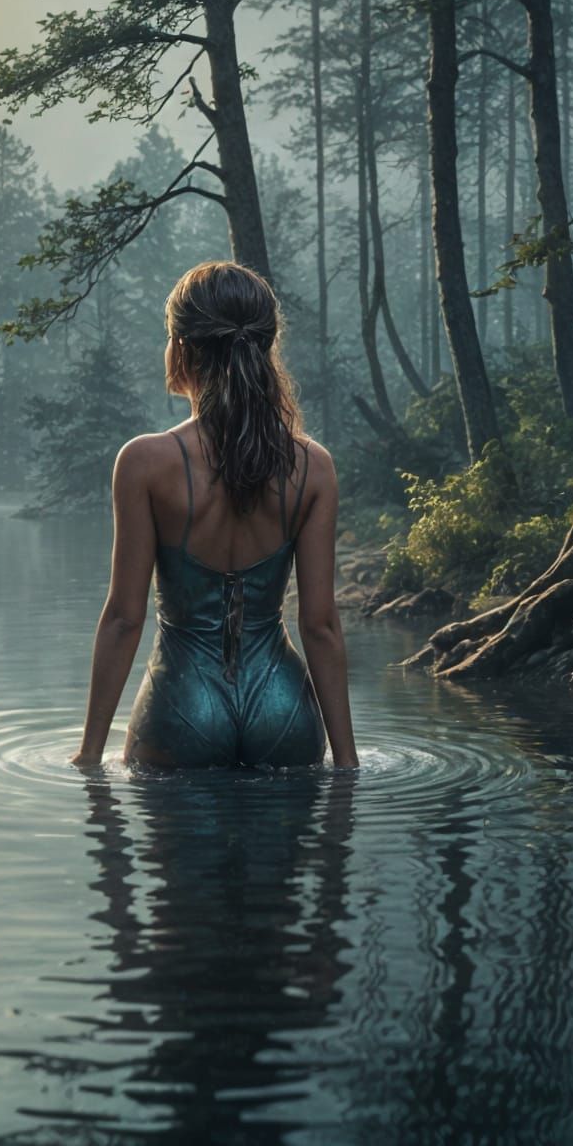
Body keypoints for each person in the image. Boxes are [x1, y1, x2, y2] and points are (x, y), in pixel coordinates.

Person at [70, 260, 359, 771]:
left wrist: (90, 755)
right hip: (283, 711)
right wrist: (348, 764)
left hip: (181, 710)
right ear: (265, 349)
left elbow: (122, 619)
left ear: (181, 347)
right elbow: (321, 626)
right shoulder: (313, 467)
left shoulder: (145, 463)